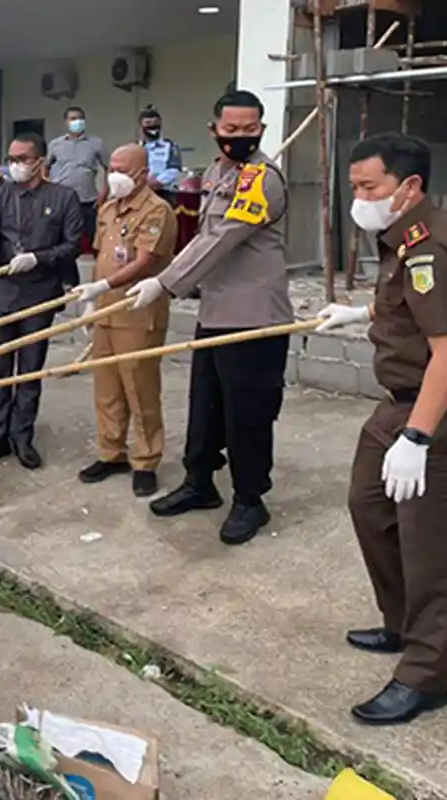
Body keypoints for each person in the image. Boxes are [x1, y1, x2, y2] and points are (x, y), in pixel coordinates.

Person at [315, 132, 447, 726]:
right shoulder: (401, 239)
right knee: (368, 504)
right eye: (354, 187)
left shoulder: (430, 247)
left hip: (446, 412)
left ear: (409, 187)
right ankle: (401, 621)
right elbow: (410, 308)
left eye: (370, 187)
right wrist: (360, 312)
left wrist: (418, 440)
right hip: (401, 402)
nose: (360, 198)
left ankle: (425, 676)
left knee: (433, 549)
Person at [125, 89, 293, 545]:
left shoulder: (263, 178)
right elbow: (204, 239)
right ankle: (200, 483)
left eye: (250, 129)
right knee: (206, 407)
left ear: (262, 129)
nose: (240, 136)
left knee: (248, 415)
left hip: (254, 318)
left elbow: (223, 237)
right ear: (214, 130)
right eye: (230, 129)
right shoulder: (218, 173)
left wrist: (165, 281)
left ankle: (249, 500)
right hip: (217, 312)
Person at [0, 132, 83, 470]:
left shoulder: (64, 198)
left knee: (29, 370)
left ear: (40, 161)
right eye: (12, 158)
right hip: (0, 294)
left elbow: (73, 245)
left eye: (23, 158)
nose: (15, 164)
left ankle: (22, 436)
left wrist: (39, 258)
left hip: (39, 293)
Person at [73, 144, 177, 498]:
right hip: (105, 312)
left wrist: (104, 285)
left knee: (140, 389)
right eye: (111, 168)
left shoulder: (157, 211)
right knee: (107, 389)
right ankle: (111, 452)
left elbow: (145, 262)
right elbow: (103, 255)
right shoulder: (107, 210)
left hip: (137, 314)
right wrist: (94, 299)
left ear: (143, 172)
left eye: (122, 169)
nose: (114, 175)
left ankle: (146, 460)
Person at [47, 106, 109, 257]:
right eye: (73, 118)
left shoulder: (96, 143)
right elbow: (44, 167)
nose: (77, 121)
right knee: (64, 241)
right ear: (66, 122)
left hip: (88, 199)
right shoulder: (55, 144)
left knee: (96, 240)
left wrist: (104, 192)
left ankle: (100, 273)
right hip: (63, 200)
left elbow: (110, 168)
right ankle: (68, 277)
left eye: (80, 118)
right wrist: (50, 186)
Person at [138, 106, 183, 201]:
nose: (152, 126)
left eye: (155, 122)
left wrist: (156, 183)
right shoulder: (136, 148)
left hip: (165, 193)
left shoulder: (170, 146)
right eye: (148, 123)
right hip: (141, 193)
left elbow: (174, 169)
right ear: (141, 125)